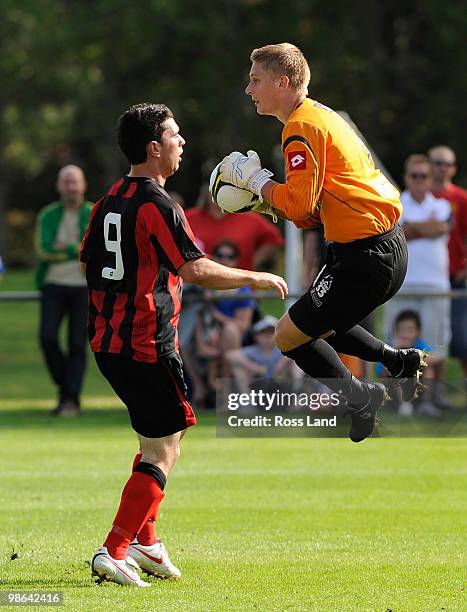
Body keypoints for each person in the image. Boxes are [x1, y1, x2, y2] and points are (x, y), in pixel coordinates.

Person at [79, 102, 287, 587]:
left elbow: (90, 263)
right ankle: (115, 549)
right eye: (175, 135)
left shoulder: (109, 199)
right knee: (163, 450)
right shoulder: (158, 204)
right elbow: (195, 269)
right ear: (154, 148)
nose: (182, 142)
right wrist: (254, 277)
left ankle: (147, 543)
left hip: (108, 342)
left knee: (158, 439)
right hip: (146, 343)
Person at [220, 42, 426, 443]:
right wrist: (265, 201)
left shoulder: (300, 126)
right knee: (318, 323)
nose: (249, 89)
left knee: (288, 335)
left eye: (255, 80)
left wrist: (258, 183)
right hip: (380, 247)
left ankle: (363, 395)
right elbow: (309, 212)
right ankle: (396, 362)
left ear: (283, 82)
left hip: (365, 255)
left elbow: (298, 206)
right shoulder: (320, 115)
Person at [383, 155, 451, 407]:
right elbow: (396, 233)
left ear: (430, 178)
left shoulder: (442, 205)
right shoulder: (396, 202)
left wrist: (411, 227)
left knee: (434, 345)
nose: (420, 180)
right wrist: (424, 227)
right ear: (406, 177)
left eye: (424, 176)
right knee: (395, 345)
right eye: (415, 176)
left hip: (435, 286)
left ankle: (432, 399)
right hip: (401, 284)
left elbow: (442, 228)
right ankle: (395, 400)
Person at [35, 165, 93, 417]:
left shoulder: (93, 212)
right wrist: (77, 249)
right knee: (47, 337)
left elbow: (95, 249)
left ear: (83, 185)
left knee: (77, 344)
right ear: (59, 186)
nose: (71, 187)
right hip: (53, 284)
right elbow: (44, 249)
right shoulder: (48, 215)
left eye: (74, 182)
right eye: (66, 182)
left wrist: (67, 249)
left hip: (83, 287)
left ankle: (70, 400)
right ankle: (67, 389)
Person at [428, 145, 467, 378]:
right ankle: (436, 395)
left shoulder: (461, 198)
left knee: (462, 339)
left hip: (455, 276)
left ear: (453, 169)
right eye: (438, 163)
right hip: (430, 277)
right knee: (435, 340)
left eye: (447, 164)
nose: (442, 168)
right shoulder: (419, 196)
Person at [186, 182, 284, 270]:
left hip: (241, 283)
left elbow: (273, 238)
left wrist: (253, 262)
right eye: (215, 187)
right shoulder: (189, 217)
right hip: (198, 282)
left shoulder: (248, 217)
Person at [376, 310, 442, 417]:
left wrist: (414, 359)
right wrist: (396, 354)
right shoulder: (390, 347)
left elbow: (436, 358)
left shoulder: (419, 345)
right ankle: (403, 405)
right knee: (396, 368)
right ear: (396, 332)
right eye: (402, 330)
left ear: (418, 332)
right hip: (393, 390)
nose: (405, 334)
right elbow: (381, 372)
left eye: (410, 329)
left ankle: (426, 403)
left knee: (428, 369)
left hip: (417, 386)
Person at [226, 315, 302, 394]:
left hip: (282, 382)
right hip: (258, 384)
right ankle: (247, 399)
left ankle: (297, 390)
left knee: (295, 362)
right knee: (238, 368)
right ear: (256, 336)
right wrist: (253, 366)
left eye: (271, 333)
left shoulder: (282, 348)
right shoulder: (254, 350)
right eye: (264, 333)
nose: (268, 337)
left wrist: (283, 361)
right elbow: (230, 355)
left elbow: (298, 351)